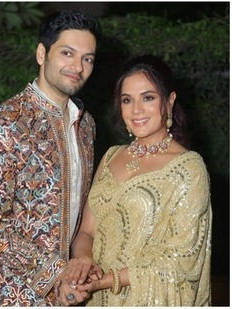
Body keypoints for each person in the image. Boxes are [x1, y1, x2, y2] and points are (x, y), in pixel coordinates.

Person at [0, 10, 102, 306]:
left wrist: (78, 268)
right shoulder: (2, 124)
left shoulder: (86, 125)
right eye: (67, 53)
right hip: (10, 293)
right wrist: (56, 275)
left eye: (88, 58)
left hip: (70, 291)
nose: (77, 67)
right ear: (42, 53)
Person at [62, 54, 212, 306]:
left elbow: (179, 259)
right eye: (127, 100)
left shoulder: (188, 168)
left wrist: (105, 281)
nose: (136, 110)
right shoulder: (111, 156)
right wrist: (83, 262)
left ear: (170, 100)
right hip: (96, 297)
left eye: (148, 97)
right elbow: (86, 231)